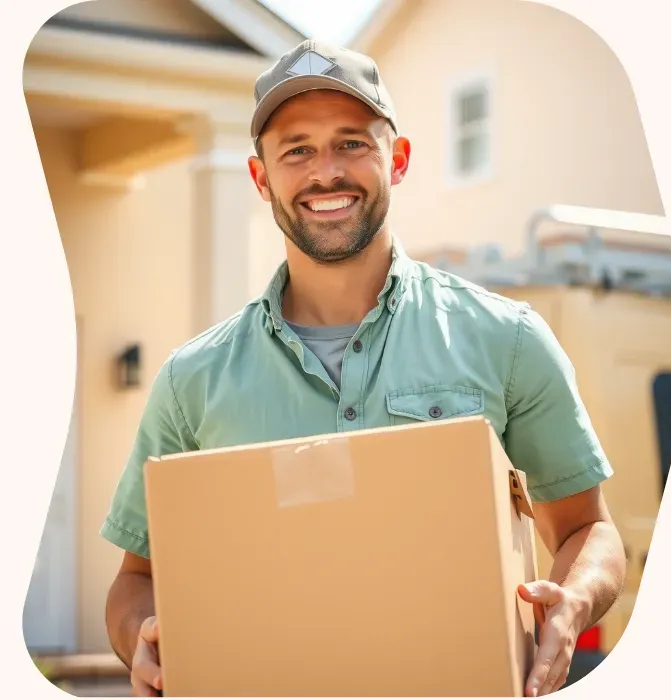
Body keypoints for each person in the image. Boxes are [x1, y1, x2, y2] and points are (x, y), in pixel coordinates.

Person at [102, 39, 625, 698]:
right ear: (261, 178)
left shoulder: (506, 339)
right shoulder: (193, 380)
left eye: (352, 143)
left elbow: (590, 530)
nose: (326, 172)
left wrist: (571, 604)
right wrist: (142, 641)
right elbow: (135, 579)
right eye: (297, 149)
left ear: (396, 160)